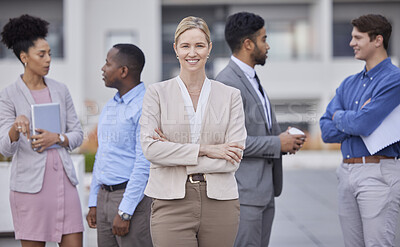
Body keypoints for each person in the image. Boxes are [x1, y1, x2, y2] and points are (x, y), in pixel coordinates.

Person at [139, 16, 247, 247]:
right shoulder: (156, 93)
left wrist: (173, 156)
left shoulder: (231, 96)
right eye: (185, 46)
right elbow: (151, 149)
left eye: (199, 45)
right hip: (170, 202)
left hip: (220, 202)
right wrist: (208, 150)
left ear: (209, 48)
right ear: (176, 49)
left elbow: (233, 159)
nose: (192, 52)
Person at [216, 12, 306, 247]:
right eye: (264, 39)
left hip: (264, 192)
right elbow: (229, 143)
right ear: (248, 44)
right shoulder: (227, 82)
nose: (268, 46)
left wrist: (285, 140)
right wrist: (278, 143)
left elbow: (256, 130)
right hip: (244, 195)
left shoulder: (251, 78)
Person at [0, 14, 84, 247]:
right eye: (42, 54)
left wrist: (57, 138)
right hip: (30, 191)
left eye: (49, 53)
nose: (48, 59)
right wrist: (15, 128)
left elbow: (77, 134)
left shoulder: (61, 89)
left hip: (64, 185)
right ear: (24, 57)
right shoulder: (8, 95)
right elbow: (5, 147)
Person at [320, 14, 400, 247]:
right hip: (347, 171)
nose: (351, 43)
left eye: (357, 37)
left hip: (378, 172)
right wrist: (352, 119)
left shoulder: (394, 80)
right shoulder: (348, 84)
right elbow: (326, 131)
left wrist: (340, 116)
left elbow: (362, 124)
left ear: (377, 40)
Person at [86, 44, 152, 247]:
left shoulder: (145, 106)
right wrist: (93, 202)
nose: (103, 69)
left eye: (108, 63)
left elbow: (145, 164)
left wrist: (125, 211)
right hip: (104, 198)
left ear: (123, 71)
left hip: (130, 199)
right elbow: (102, 154)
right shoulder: (111, 105)